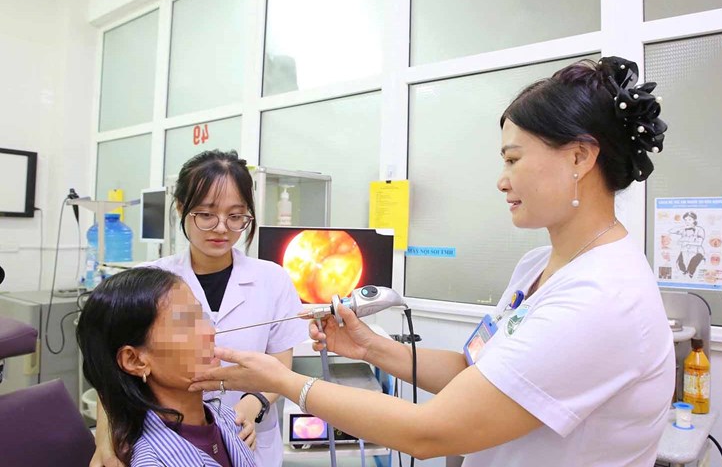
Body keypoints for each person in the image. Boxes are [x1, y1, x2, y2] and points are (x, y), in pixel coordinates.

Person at [188, 57, 676, 466]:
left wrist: (284, 382)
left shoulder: (603, 299)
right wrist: (372, 348)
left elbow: (431, 432)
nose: (502, 181)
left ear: (579, 158)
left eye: (512, 159)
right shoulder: (538, 266)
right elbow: (475, 370)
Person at [92, 150, 307, 467]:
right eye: (206, 214)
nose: (221, 228)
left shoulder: (272, 279)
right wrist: (106, 448)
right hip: (168, 445)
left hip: (250, 441)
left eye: (236, 216)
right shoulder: (147, 281)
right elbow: (109, 370)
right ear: (181, 208)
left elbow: (279, 363)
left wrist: (254, 403)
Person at [76, 267, 256, 467]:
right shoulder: (151, 461)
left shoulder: (230, 421)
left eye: (200, 315)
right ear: (135, 361)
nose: (209, 331)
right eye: (186, 324)